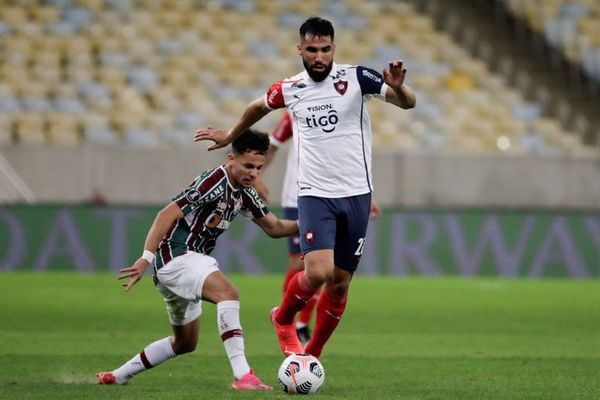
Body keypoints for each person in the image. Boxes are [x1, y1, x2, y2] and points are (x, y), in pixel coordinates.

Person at [195, 16, 416, 359]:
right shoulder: (291, 88)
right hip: (314, 194)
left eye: (325, 49)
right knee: (317, 272)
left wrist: (399, 86)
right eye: (312, 49)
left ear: (333, 48)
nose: (319, 57)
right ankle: (283, 319)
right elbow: (257, 106)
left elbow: (408, 102)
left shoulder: (357, 77)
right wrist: (231, 135)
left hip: (357, 193)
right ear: (300, 49)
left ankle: (311, 355)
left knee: (340, 283)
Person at [97, 129, 299, 391]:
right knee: (228, 293)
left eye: (259, 168)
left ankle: (118, 375)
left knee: (184, 344)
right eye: (248, 166)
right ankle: (244, 376)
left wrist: (315, 224)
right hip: (177, 256)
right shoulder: (215, 180)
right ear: (231, 159)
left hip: (182, 268)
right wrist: (145, 258)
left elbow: (274, 227)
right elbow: (166, 214)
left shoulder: (245, 193)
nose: (254, 173)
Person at [254, 111, 382, 345]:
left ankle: (301, 323)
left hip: (342, 196)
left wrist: (363, 198)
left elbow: (347, 158)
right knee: (303, 263)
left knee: (333, 272)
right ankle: (291, 320)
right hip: (299, 196)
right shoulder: (298, 109)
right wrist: (257, 174)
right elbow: (273, 145)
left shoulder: (346, 112)